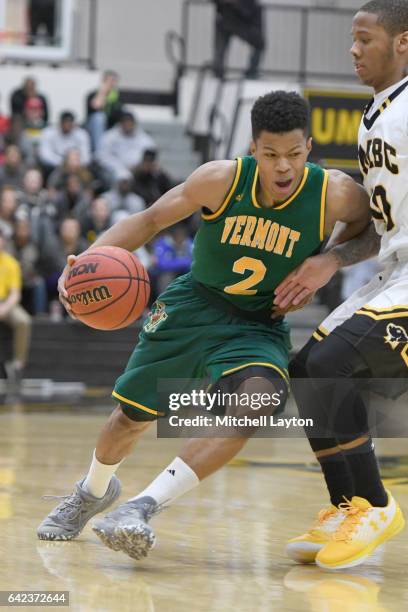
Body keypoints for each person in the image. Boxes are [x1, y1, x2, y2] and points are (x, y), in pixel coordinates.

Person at [37, 91, 373, 561]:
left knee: (259, 402)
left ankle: (140, 508)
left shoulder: (333, 192)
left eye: (294, 155)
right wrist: (85, 264)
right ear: (253, 148)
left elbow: (375, 228)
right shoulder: (220, 179)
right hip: (193, 307)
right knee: (127, 421)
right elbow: (150, 219)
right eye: (271, 155)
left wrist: (331, 259)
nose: (283, 168)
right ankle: (92, 492)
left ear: (309, 148)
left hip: (257, 325)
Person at [275, 0, 408, 571]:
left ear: (402, 41)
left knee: (332, 367)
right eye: (352, 39)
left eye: (364, 39)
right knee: (306, 369)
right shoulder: (374, 114)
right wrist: (329, 260)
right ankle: (347, 504)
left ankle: (375, 504)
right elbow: (382, 231)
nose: (351, 50)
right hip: (394, 271)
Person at [0, 227, 31, 390]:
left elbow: (15, 294)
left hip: (5, 302)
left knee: (23, 320)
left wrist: (4, 309)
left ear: (4, 241)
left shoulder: (11, 263)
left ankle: (18, 365)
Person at [213, 0, 265, 79]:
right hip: (225, 19)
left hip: (243, 21)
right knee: (220, 49)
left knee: (259, 44)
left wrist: (237, 3)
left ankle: (252, 72)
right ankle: (218, 72)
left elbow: (250, 8)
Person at [96, 112, 155, 180]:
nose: (128, 126)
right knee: (123, 176)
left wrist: (140, 165)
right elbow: (102, 157)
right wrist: (123, 167)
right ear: (120, 123)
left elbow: (151, 151)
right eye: (126, 123)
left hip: (139, 169)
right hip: (116, 170)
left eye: (130, 123)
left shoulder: (143, 137)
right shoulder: (109, 137)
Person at [86, 70, 123, 152]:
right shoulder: (93, 94)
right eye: (109, 81)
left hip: (112, 126)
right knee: (99, 117)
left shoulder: (117, 97)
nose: (111, 83)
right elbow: (95, 107)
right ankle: (100, 151)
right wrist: (103, 93)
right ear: (103, 81)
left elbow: (118, 115)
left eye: (114, 81)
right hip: (93, 126)